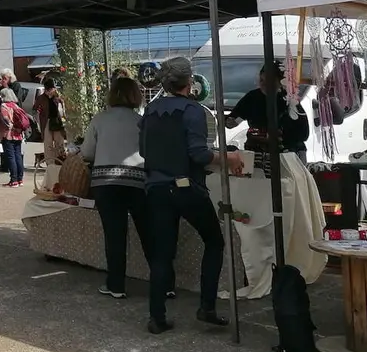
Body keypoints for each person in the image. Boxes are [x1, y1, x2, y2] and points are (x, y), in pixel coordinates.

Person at [140, 56, 242, 334]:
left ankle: (156, 316)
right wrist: (229, 158)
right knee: (214, 241)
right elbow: (199, 153)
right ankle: (206, 306)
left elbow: (144, 151)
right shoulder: (192, 110)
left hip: (156, 188)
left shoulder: (150, 110)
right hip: (186, 187)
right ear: (190, 82)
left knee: (161, 254)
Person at [82, 77, 150, 299]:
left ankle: (116, 285)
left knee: (114, 235)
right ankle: (164, 282)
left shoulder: (100, 119)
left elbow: (87, 153)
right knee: (149, 233)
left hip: (105, 184)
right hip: (138, 182)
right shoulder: (142, 121)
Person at [226, 63, 311, 161]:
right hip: (257, 152)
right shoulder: (252, 97)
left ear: (280, 82)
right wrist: (229, 121)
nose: (264, 85)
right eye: (261, 80)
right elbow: (234, 117)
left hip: (288, 154)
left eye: (270, 81)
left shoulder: (289, 99)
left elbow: (303, 134)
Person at [0, 88, 30, 187]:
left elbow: (6, 122)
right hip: (18, 135)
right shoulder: (16, 106)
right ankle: (20, 179)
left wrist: (11, 127)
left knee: (11, 157)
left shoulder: (4, 106)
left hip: (8, 135)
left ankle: (13, 180)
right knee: (18, 156)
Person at [36, 77, 66, 165]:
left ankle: (60, 160)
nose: (51, 91)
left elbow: (63, 108)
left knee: (59, 142)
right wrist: (39, 115)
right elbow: (35, 109)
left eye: (53, 88)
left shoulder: (58, 97)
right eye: (50, 89)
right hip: (47, 122)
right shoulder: (41, 98)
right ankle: (50, 163)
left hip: (57, 122)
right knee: (48, 143)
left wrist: (58, 99)